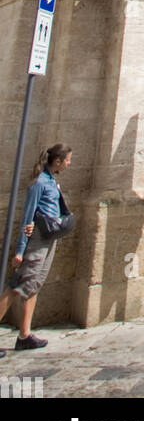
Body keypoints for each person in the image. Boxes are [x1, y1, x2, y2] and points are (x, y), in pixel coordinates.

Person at [0, 143, 72, 354]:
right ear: (57, 161)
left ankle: (24, 335)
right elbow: (27, 216)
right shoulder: (39, 184)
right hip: (38, 240)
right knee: (18, 285)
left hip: (49, 239)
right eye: (67, 160)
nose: (69, 164)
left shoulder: (52, 181)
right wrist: (21, 251)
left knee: (33, 285)